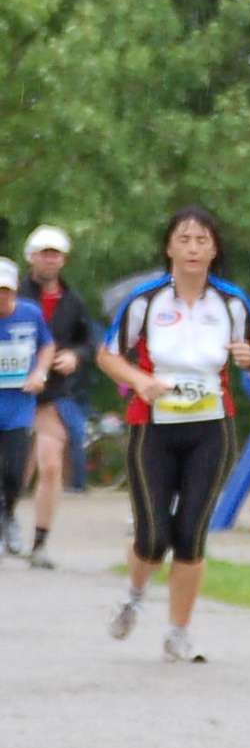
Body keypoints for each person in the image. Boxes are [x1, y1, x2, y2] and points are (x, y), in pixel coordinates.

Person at [97, 205, 250, 662]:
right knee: (154, 536)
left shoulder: (231, 302)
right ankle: (134, 595)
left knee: (191, 535)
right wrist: (139, 381)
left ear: (214, 250)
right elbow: (107, 355)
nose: (193, 248)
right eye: (184, 239)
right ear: (169, 247)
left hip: (211, 428)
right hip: (153, 427)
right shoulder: (146, 301)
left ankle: (178, 633)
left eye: (202, 240)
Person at [17, 225, 95, 565]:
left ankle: (40, 541)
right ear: (31, 257)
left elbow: (88, 341)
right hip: (13, 392)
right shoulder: (14, 294)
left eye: (56, 254)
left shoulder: (73, 301)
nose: (50, 260)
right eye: (44, 254)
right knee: (15, 469)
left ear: (63, 260)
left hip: (51, 395)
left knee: (50, 466)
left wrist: (75, 356)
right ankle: (8, 523)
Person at [0, 258, 54, 563]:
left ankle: (7, 514)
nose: (1, 297)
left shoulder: (30, 314)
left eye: (5, 291)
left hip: (18, 407)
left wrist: (40, 373)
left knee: (14, 472)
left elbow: (47, 345)